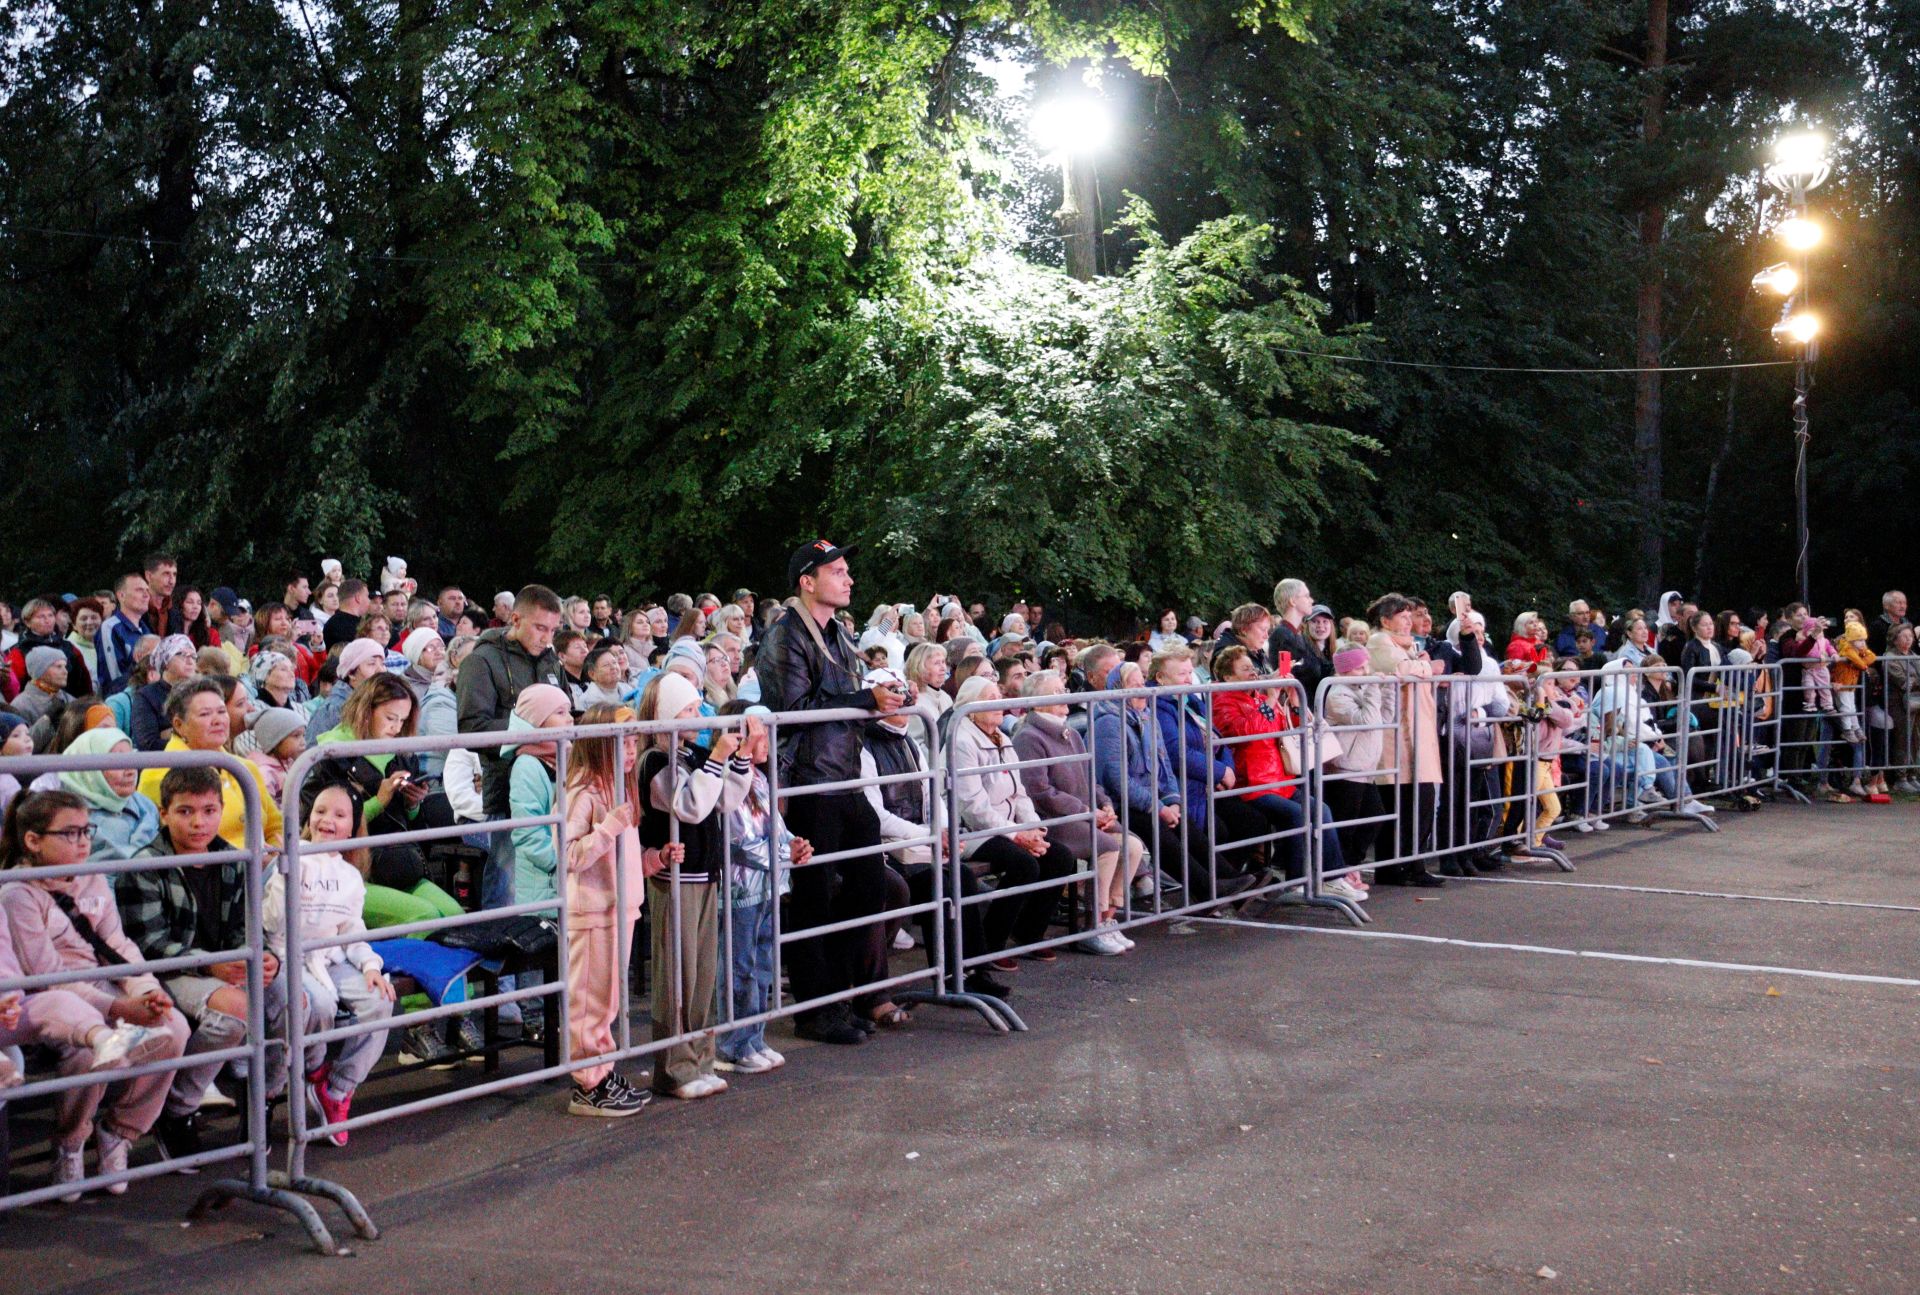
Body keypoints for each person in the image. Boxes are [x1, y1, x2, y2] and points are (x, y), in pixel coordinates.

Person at [753, 540, 906, 1046]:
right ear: (807, 580)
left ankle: (840, 993)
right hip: (807, 783)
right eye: (837, 571)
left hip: (842, 777)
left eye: (846, 570)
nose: (848, 578)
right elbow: (796, 706)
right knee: (814, 898)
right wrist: (867, 698)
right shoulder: (784, 636)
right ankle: (816, 1009)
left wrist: (882, 703)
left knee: (870, 885)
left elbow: (844, 697)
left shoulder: (838, 634)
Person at [2, 790, 189, 1199]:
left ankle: (120, 1132)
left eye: (87, 830)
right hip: (61, 1002)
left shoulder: (93, 876)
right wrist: (119, 1008)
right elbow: (46, 976)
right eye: (70, 833)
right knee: (88, 1055)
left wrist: (146, 990)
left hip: (108, 985)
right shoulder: (18, 894)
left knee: (173, 1027)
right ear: (33, 841)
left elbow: (116, 943)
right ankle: (70, 1142)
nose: (83, 841)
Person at [637, 671, 751, 1098]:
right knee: (676, 975)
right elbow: (690, 805)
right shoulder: (654, 760)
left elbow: (724, 798)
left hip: (705, 873)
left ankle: (701, 1058)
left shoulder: (690, 753)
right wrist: (720, 756)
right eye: (687, 709)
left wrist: (734, 758)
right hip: (673, 880)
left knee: (703, 975)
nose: (699, 714)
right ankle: (674, 1068)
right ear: (666, 714)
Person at [266, 783, 396, 1145]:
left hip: (329, 956)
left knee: (380, 999)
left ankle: (336, 1090)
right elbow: (272, 922)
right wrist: (283, 874)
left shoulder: (351, 876)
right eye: (321, 811)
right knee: (318, 1003)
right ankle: (315, 1067)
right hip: (285, 954)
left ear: (353, 827)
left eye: (339, 815)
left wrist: (370, 966)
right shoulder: (291, 856)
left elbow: (351, 930)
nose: (327, 820)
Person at [556, 702, 651, 1115]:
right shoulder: (583, 791)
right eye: (621, 742)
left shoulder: (616, 787)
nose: (630, 751)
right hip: (593, 911)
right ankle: (587, 1082)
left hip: (618, 906)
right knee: (590, 998)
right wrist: (608, 827)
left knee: (607, 998)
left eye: (632, 741)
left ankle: (600, 1069)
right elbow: (570, 854)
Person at [1210, 645, 1359, 901]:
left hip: (1279, 779)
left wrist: (1293, 700)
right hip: (1252, 784)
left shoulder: (1258, 697)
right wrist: (1271, 698)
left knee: (1321, 809)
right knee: (1297, 814)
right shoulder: (1221, 701)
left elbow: (1291, 727)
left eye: (1254, 668)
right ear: (1227, 677)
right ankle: (1296, 881)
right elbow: (1246, 732)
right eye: (1245, 669)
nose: (1254, 674)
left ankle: (1333, 876)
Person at [712, 702, 816, 1071]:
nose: (771, 742)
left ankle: (754, 1037)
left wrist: (794, 844)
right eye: (763, 735)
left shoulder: (758, 777)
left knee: (762, 965)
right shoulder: (729, 776)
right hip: (740, 891)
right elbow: (738, 840)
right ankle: (732, 1043)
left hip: (767, 884)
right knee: (739, 966)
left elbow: (774, 825)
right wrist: (783, 854)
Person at [949, 676, 1078, 971]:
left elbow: (1020, 792)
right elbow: (973, 807)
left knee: (1060, 856)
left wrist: (1032, 827)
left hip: (1007, 826)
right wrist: (1017, 834)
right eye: (990, 698)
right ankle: (991, 943)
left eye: (1000, 696)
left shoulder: (1003, 738)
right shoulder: (961, 740)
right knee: (1024, 864)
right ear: (970, 706)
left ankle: (1029, 932)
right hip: (973, 831)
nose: (1000, 704)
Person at [1012, 672, 1144, 953]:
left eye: (1064, 689)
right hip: (1056, 820)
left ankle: (1109, 918)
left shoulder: (1070, 732)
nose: (1066, 695)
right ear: (1038, 701)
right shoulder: (1028, 737)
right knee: (1107, 847)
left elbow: (1090, 775)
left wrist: (1104, 804)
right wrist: (1086, 811)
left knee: (1132, 846)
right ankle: (1093, 923)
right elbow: (1040, 791)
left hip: (1085, 815)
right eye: (1058, 691)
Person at [136, 677, 285, 847]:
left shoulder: (246, 768)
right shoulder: (158, 774)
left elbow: (275, 826)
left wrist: (273, 855)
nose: (218, 720)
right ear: (179, 724)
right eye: (205, 714)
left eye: (222, 712)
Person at [1366, 594, 1445, 886]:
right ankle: (1393, 867)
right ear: (1386, 621)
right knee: (1399, 803)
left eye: (1409, 615)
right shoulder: (1379, 642)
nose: (1409, 621)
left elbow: (1412, 668)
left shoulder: (1409, 645)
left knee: (1421, 801)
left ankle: (1413, 864)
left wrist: (1422, 664)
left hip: (1417, 733)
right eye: (1402, 616)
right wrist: (1428, 668)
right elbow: (1400, 670)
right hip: (1396, 737)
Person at [58, 727, 161, 861]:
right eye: (117, 762)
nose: (130, 771)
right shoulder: (70, 818)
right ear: (90, 772)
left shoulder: (146, 806)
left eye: (132, 759)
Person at [304, 638, 387, 743]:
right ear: (351, 673)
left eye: (383, 664)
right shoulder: (333, 709)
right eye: (372, 664)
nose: (381, 670)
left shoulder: (382, 702)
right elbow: (314, 753)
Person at [7, 598, 94, 698]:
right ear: (27, 622)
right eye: (41, 617)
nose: (47, 620)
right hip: (35, 707)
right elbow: (13, 686)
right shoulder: (19, 652)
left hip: (73, 706)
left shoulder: (69, 647)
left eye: (50, 615)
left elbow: (85, 682)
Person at [1269, 578, 1329, 711]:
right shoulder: (1282, 635)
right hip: (1300, 714)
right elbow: (1286, 677)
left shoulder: (1298, 634)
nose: (1311, 600)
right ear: (1292, 601)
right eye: (1306, 596)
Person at [129, 635, 197, 752]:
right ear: (165, 662)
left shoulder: (202, 693)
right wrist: (191, 738)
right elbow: (148, 744)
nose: (190, 660)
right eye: (181, 654)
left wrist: (171, 733)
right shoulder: (146, 696)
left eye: (193, 656)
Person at [94, 572, 152, 694]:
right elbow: (114, 680)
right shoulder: (110, 628)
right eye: (139, 590)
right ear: (121, 595)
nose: (146, 595)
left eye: (147, 590)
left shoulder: (145, 629)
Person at [247, 708, 307, 802]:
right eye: (296, 736)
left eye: (303, 735)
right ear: (276, 741)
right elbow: (265, 808)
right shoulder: (265, 774)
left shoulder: (291, 763)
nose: (303, 742)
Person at [9, 645, 73, 730]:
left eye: (65, 666)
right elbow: (22, 741)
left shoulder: (69, 699)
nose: (65, 671)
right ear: (40, 671)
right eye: (58, 667)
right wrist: (47, 720)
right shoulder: (20, 705)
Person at [322, 580, 371, 651]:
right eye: (367, 596)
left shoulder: (332, 623)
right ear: (358, 598)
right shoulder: (343, 627)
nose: (369, 601)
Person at [141, 554, 183, 638]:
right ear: (149, 576)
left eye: (174, 574)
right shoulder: (133, 609)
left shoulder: (176, 612)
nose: (172, 581)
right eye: (166, 574)